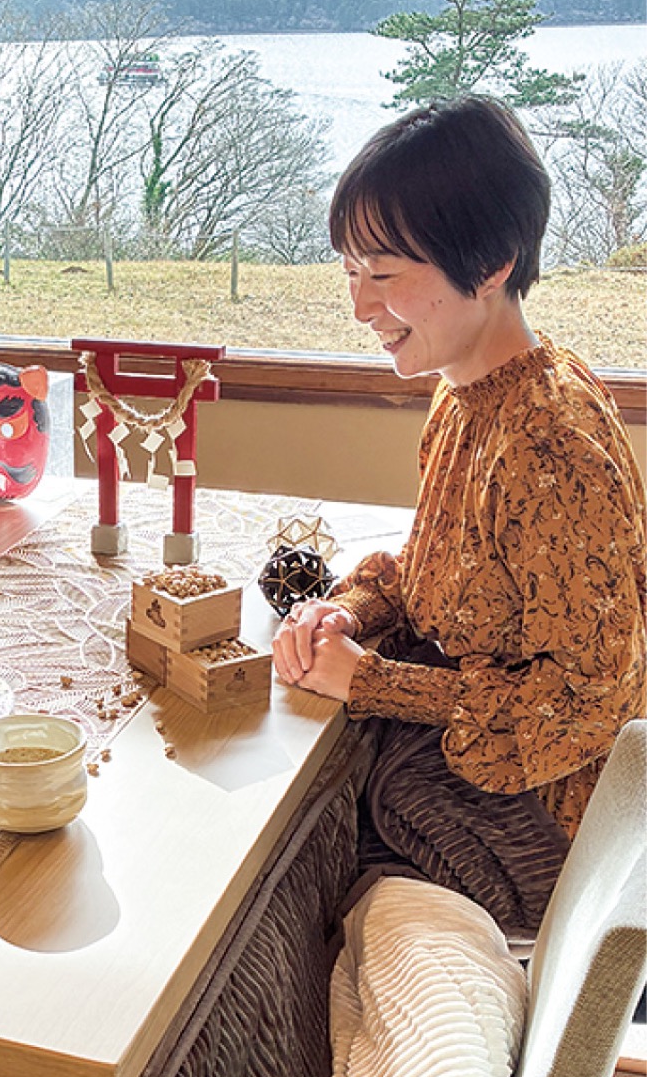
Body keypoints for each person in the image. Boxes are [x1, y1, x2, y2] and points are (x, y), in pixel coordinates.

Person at [271, 94, 646, 935]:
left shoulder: (551, 442)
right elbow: (446, 571)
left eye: (385, 275)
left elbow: (593, 698)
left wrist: (374, 681)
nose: (361, 307)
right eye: (350, 274)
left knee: (298, 858)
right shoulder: (469, 394)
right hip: (490, 761)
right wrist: (352, 610)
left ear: (491, 264)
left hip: (550, 817)